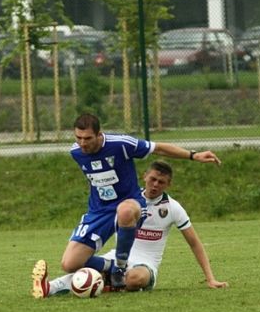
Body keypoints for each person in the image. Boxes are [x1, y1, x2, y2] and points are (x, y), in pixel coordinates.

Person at [32, 113, 221, 294]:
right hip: (99, 212)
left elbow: (159, 148)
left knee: (124, 211)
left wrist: (193, 155)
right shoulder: (76, 152)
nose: (82, 143)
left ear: (99, 134)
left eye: (87, 138)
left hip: (129, 204)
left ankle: (118, 269)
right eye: (78, 138)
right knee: (70, 264)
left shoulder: (121, 144)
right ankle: (101, 271)